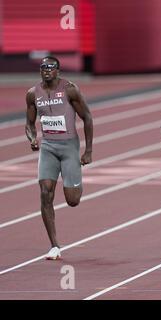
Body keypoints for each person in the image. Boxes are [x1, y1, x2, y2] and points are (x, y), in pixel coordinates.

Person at [25, 56, 93, 259]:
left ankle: (75, 180)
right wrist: (32, 138)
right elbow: (29, 123)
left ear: (58, 71)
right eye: (43, 67)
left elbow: (87, 117)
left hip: (69, 146)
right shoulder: (32, 94)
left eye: (51, 67)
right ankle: (54, 245)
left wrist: (88, 150)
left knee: (73, 200)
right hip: (48, 147)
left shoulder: (70, 89)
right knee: (45, 193)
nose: (46, 70)